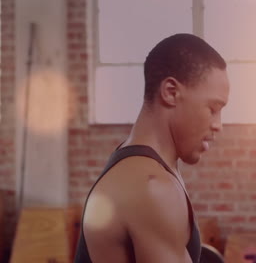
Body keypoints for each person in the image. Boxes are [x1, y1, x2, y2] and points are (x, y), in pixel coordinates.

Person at [74, 33, 230, 263]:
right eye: (213, 108)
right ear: (170, 92)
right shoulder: (151, 187)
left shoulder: (138, 162)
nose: (218, 126)